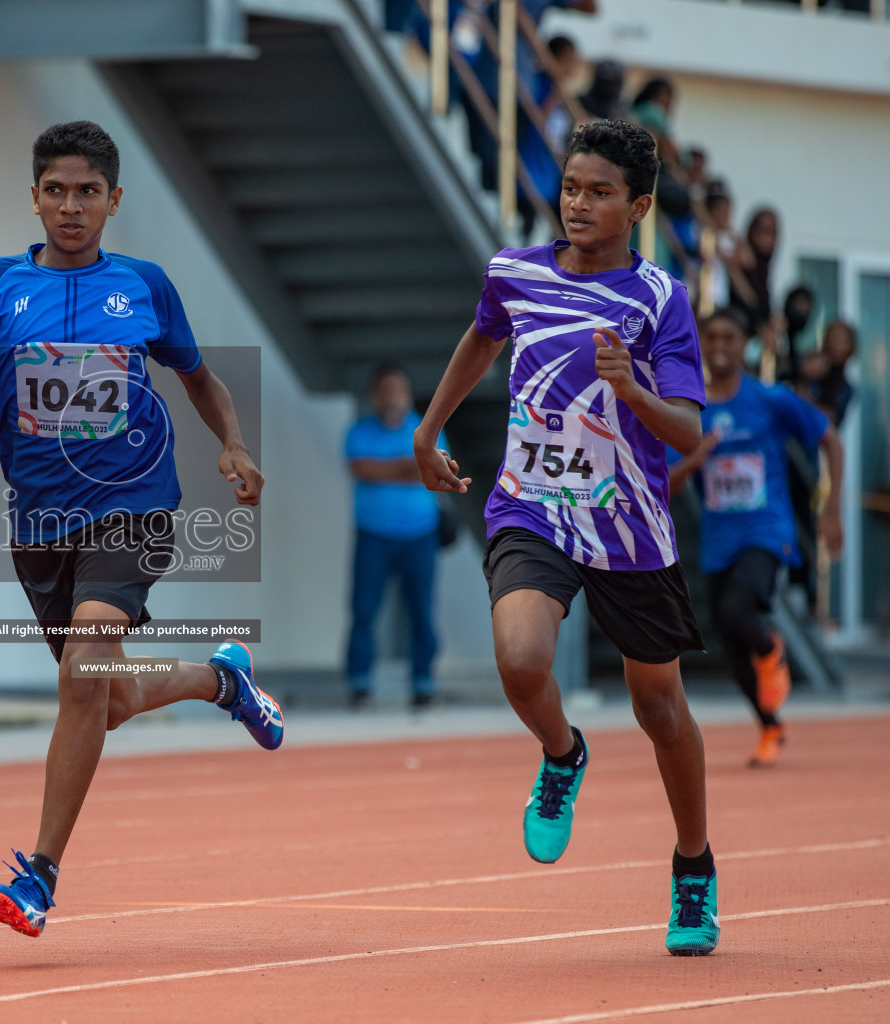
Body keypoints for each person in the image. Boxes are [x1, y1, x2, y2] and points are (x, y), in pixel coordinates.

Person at [0, 121, 282, 938]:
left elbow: (199, 377)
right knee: (107, 699)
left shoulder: (143, 284)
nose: (70, 207)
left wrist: (235, 446)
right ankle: (223, 680)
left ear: (114, 200)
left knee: (82, 670)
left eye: (87, 192)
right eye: (55, 191)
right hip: (38, 520)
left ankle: (39, 874)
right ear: (33, 196)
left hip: (134, 502)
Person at [413, 120, 720, 955]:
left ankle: (693, 867)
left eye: (600, 192)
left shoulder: (658, 298)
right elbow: (483, 335)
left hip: (627, 523)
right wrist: (428, 428)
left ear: (640, 206)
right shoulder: (513, 271)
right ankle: (562, 752)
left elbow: (688, 432)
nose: (579, 204)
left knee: (660, 708)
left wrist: (633, 391)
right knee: (520, 661)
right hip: (533, 504)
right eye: (571, 188)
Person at [668, 309, 843, 768]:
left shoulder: (769, 399)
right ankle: (770, 725)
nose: (721, 346)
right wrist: (697, 456)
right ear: (700, 345)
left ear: (745, 343)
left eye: (730, 336)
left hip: (767, 530)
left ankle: (770, 649)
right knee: (728, 638)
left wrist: (832, 510)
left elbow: (831, 439)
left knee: (740, 609)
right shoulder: (691, 411)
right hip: (718, 540)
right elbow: (666, 484)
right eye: (712, 338)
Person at [344, 365, 445, 709]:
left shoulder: (427, 429)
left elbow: (429, 470)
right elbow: (360, 468)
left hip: (420, 533)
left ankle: (423, 682)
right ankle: (359, 683)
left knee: (422, 612)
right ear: (375, 396)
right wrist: (407, 466)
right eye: (385, 390)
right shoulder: (359, 431)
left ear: (408, 394)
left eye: (398, 390)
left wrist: (386, 469)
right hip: (373, 534)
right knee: (363, 610)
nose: (392, 398)